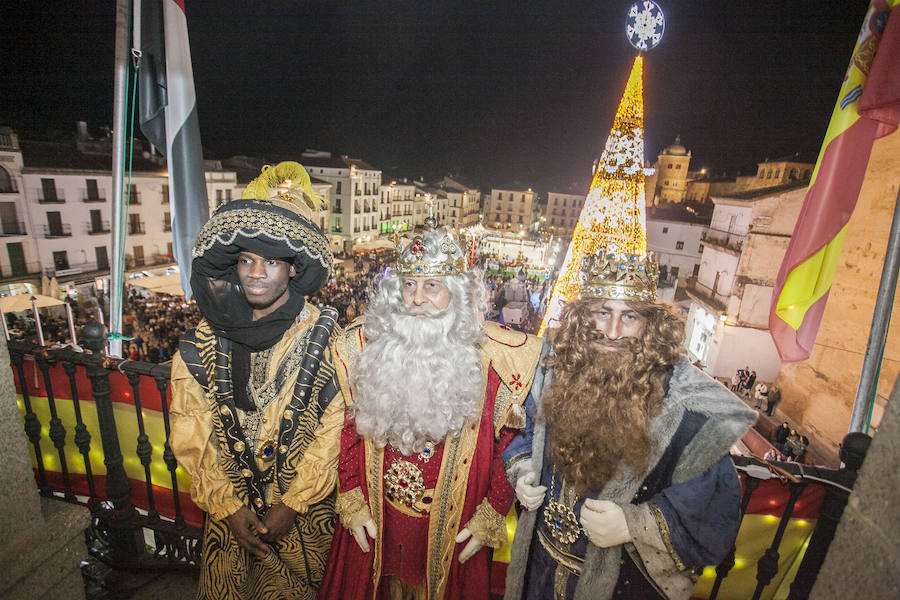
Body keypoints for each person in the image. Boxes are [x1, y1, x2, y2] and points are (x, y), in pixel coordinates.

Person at [504, 250, 757, 600]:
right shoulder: (553, 370)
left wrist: (633, 525)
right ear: (583, 317)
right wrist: (524, 469)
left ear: (649, 325)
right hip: (540, 570)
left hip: (617, 584)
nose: (611, 331)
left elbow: (712, 503)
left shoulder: (685, 404)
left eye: (629, 316)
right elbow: (524, 431)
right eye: (602, 312)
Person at [320, 224, 543, 599]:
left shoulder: (495, 360)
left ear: (454, 294)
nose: (418, 299)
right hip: (377, 524)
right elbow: (350, 426)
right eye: (409, 285)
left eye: (432, 286)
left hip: (451, 529)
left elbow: (510, 444)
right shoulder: (365, 347)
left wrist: (494, 509)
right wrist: (353, 494)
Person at [169, 162, 342, 600]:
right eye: (246, 259)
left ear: (293, 269)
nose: (256, 272)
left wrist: (293, 504)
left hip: (302, 529)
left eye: (270, 261)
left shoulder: (330, 342)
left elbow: (335, 430)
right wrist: (227, 506)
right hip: (229, 525)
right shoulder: (201, 343)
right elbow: (191, 428)